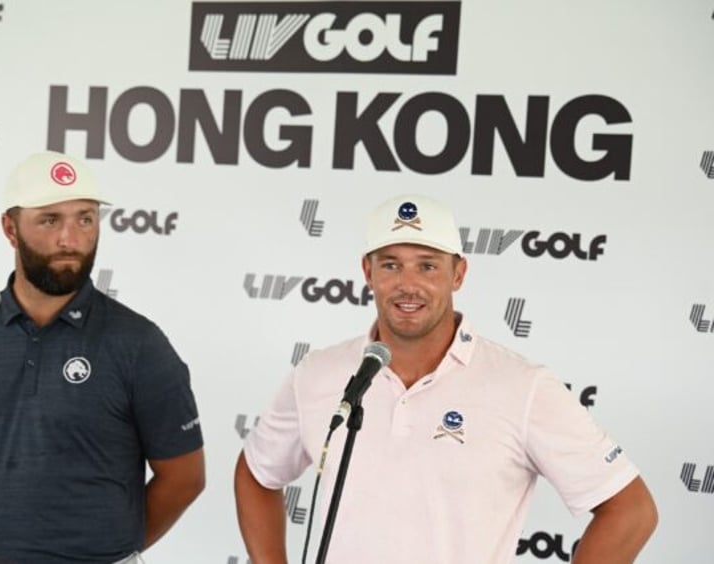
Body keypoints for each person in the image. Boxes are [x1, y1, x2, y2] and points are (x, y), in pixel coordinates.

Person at [234, 194, 657, 564]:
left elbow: (630, 509)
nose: (408, 285)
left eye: (428, 266)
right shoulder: (318, 373)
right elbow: (257, 472)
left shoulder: (522, 386)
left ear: (458, 274)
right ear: (368, 271)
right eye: (391, 265)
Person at [0, 151, 205, 563]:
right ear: (10, 229)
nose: (71, 239)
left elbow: (184, 477)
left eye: (85, 218)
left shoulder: (139, 343)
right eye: (50, 220)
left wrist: (110, 550)